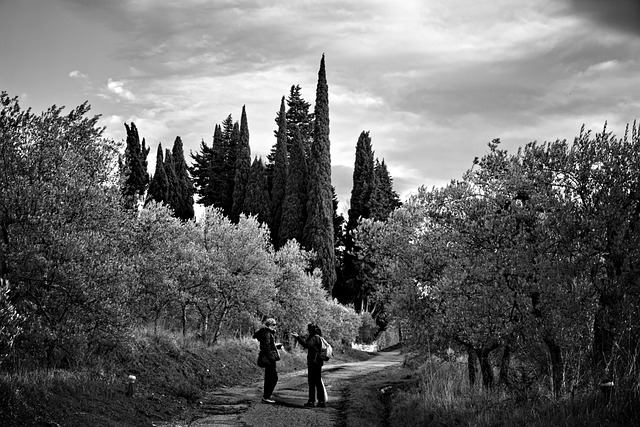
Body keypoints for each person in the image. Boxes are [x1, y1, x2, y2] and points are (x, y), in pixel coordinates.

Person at [292, 323, 327, 408]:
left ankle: (311, 401)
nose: (307, 331)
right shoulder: (319, 337)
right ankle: (321, 401)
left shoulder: (314, 338)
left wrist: (297, 337)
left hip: (313, 362)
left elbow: (306, 345)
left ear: (311, 330)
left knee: (312, 382)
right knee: (318, 381)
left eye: (308, 330)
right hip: (319, 362)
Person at [253, 317, 279, 404]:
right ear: (270, 325)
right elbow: (267, 347)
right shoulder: (267, 333)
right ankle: (266, 396)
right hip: (269, 359)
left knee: (269, 377)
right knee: (273, 378)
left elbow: (267, 344)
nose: (275, 326)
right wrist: (272, 357)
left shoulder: (265, 332)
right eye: (274, 324)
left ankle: (266, 396)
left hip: (267, 358)